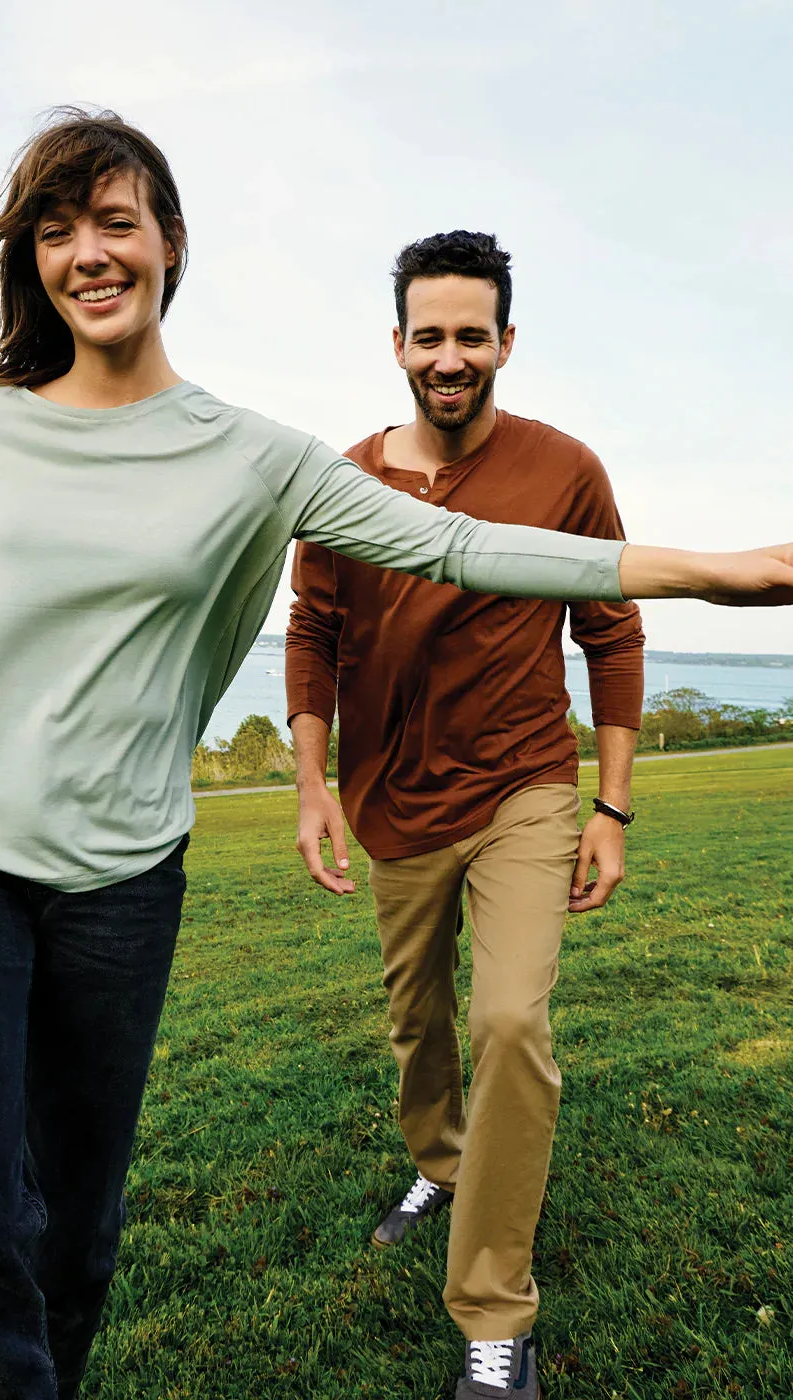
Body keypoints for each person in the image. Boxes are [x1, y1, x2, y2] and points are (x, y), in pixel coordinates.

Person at [0, 114, 792, 1400]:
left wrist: (710, 572)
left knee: (71, 1232)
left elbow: (464, 548)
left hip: (121, 875)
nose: (87, 253)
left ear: (171, 241)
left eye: (114, 221)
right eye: (55, 232)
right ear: (37, 263)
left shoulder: (257, 458)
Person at [286, 230, 653, 1399]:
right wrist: (310, 783)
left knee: (508, 1020)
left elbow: (612, 630)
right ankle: (441, 1160)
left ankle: (493, 1310)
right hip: (392, 797)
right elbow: (313, 634)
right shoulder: (342, 482)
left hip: (526, 786)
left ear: (505, 342)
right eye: (429, 335)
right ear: (397, 344)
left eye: (471, 335)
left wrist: (611, 805)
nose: (451, 356)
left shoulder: (565, 470)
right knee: (421, 1023)